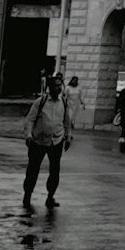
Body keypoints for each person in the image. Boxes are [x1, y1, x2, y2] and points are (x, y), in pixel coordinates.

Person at [23, 71, 72, 209]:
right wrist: (28, 135)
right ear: (50, 88)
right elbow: (30, 119)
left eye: (60, 86)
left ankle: (50, 196)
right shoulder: (41, 102)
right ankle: (27, 195)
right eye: (56, 86)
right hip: (38, 141)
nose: (59, 88)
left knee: (54, 171)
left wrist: (67, 137)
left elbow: (67, 121)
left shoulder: (63, 102)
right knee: (33, 169)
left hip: (56, 141)